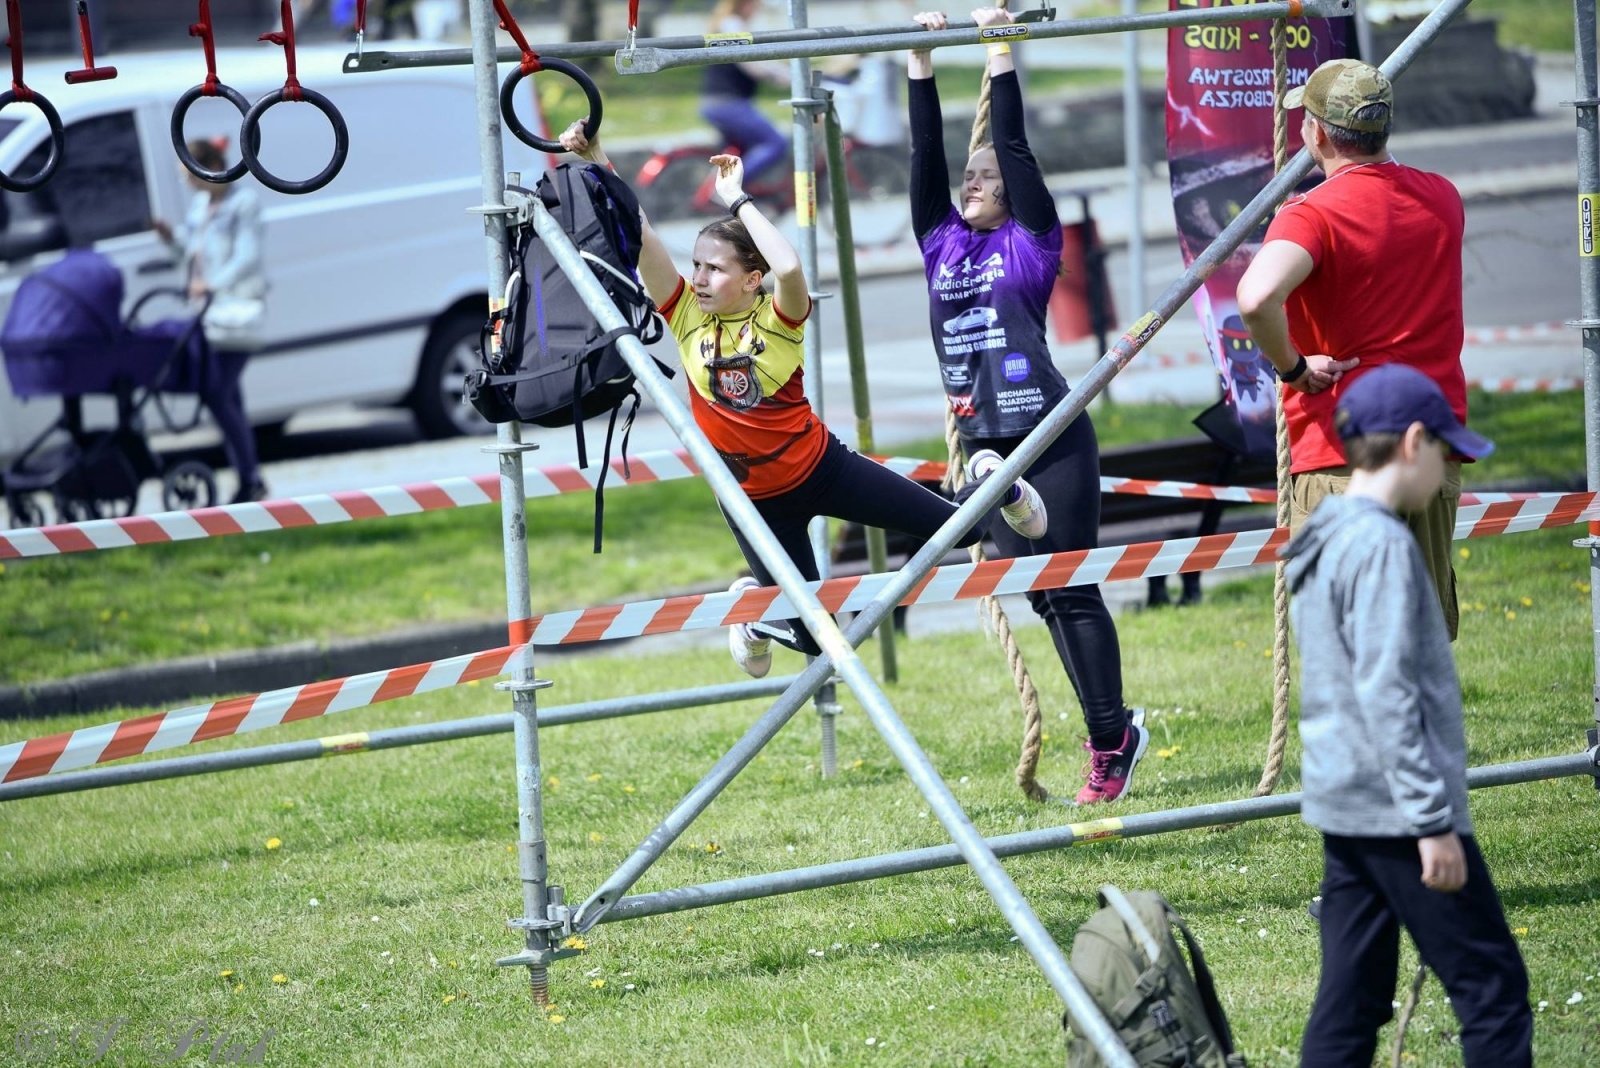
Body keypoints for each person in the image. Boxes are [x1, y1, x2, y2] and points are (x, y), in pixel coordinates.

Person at [558, 121, 1047, 677]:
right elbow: (641, 233)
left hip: (822, 470)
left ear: (752, 280)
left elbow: (789, 267)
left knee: (966, 530)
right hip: (752, 501)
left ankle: (996, 479)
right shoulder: (685, 312)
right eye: (696, 265)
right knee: (818, 642)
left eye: (714, 269)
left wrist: (736, 198)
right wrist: (598, 158)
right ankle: (752, 613)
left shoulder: (779, 317)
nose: (699, 278)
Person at [908, 8, 1145, 805]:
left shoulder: (1032, 241)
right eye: (967, 177)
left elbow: (1013, 144)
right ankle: (1113, 731)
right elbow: (923, 157)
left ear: (1015, 192)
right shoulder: (941, 243)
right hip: (983, 447)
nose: (971, 183)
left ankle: (1112, 742)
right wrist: (919, 60)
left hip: (1048, 436)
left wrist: (999, 48)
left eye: (986, 177)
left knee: (1069, 587)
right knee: (1040, 595)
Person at [1282, 364, 1531, 1068]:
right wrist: (1432, 823)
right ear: (1415, 442)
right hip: (1398, 811)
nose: (1449, 473)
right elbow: (1387, 692)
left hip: (1344, 801)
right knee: (1492, 989)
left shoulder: (1323, 534)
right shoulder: (1384, 546)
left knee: (1352, 1001)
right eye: (1446, 454)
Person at [1237, 58, 1472, 640]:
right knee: (1420, 638)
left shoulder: (1311, 214)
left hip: (1344, 454)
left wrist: (1292, 367)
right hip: (1429, 452)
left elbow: (1256, 297)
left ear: (1316, 133)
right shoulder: (1443, 197)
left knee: (1349, 643)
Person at [153, 139, 269, 503]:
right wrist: (171, 240)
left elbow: (247, 256)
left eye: (189, 174)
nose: (187, 183)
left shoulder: (243, 203)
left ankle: (249, 477)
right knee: (229, 397)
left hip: (234, 314)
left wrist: (212, 284)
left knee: (217, 393)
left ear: (211, 168)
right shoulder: (200, 206)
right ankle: (249, 478)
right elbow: (192, 256)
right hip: (207, 316)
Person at [700, 0, 789, 188]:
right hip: (728, 104)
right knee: (775, 143)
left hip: (716, 102)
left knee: (740, 151)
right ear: (745, 4)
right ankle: (729, 188)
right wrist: (781, 76)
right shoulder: (732, 25)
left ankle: (729, 191)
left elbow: (758, 59)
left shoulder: (726, 23)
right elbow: (752, 63)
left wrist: (782, 72)